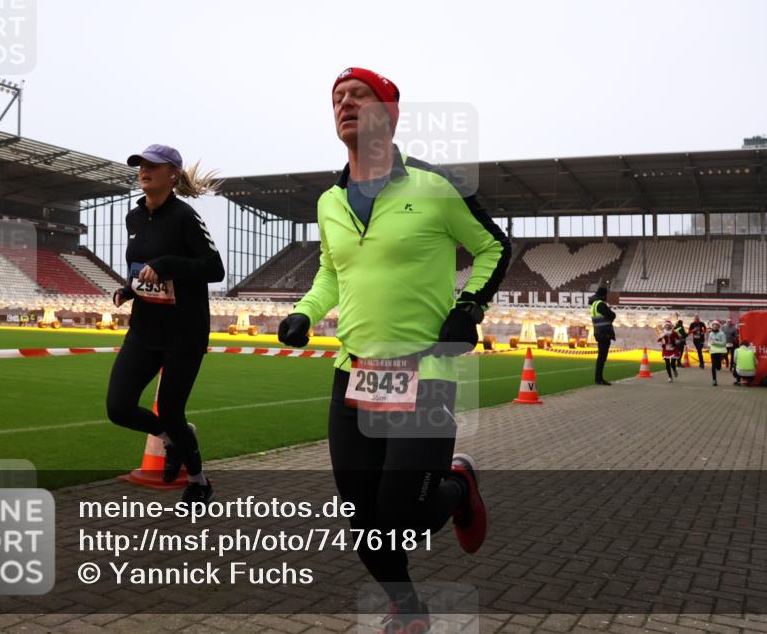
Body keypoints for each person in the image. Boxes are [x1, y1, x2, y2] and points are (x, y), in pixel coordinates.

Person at [278, 67, 511, 632]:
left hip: (424, 372)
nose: (345, 104)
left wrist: (468, 309)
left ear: (389, 112)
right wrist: (304, 313)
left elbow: (494, 247)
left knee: (400, 517)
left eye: (359, 95)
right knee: (362, 523)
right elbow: (330, 274)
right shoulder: (329, 201)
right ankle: (408, 610)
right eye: (337, 98)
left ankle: (457, 487)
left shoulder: (435, 187)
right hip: (351, 376)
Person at [106, 144, 224, 504]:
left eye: (153, 166)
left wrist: (168, 262)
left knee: (171, 409)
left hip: (183, 333)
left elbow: (214, 269)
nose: (144, 170)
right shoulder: (134, 218)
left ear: (173, 174)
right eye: (140, 164)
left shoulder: (185, 217)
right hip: (144, 329)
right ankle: (173, 439)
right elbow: (144, 268)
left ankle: (199, 481)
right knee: (119, 408)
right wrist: (130, 289)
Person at [589, 286, 616, 385]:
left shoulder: (594, 305)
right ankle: (599, 379)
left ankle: (598, 378)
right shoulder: (600, 304)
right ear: (603, 295)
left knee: (601, 357)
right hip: (604, 333)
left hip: (598, 332)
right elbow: (612, 315)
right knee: (602, 357)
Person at [707, 320, 728, 386]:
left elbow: (724, 343)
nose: (715, 326)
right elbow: (709, 341)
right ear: (712, 326)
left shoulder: (722, 334)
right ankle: (714, 380)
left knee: (718, 367)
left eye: (716, 325)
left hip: (719, 351)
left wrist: (715, 343)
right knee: (713, 365)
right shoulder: (711, 333)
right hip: (713, 351)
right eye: (713, 325)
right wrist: (709, 345)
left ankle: (719, 365)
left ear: (718, 326)